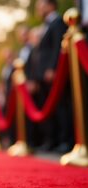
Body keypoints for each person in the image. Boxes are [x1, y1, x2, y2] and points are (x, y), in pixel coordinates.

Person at [35, 0, 73, 153]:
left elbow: (58, 46)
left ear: (51, 5)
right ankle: (55, 140)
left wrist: (52, 68)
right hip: (46, 76)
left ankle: (66, 140)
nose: (39, 8)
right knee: (55, 109)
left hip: (55, 73)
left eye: (41, 5)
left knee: (63, 107)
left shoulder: (57, 22)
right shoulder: (47, 25)